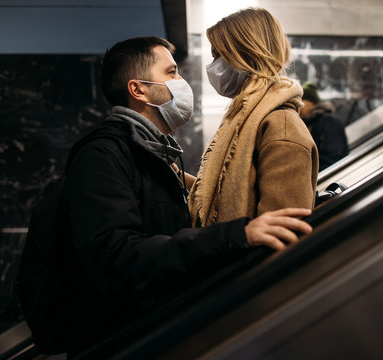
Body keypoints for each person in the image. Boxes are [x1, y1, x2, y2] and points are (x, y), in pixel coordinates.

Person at [59, 36, 313, 355]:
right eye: (171, 72)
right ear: (138, 90)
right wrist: (236, 235)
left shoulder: (151, 156)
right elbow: (117, 259)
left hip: (158, 332)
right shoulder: (102, 157)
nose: (182, 82)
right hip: (129, 343)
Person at [187, 7, 319, 228]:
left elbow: (280, 233)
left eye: (219, 55)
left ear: (246, 53)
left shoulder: (281, 127)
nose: (213, 66)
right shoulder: (242, 118)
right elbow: (221, 190)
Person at [300, 82, 349, 171]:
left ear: (312, 102)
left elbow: (333, 157)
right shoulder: (309, 123)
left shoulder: (328, 121)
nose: (298, 106)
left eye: (301, 101)